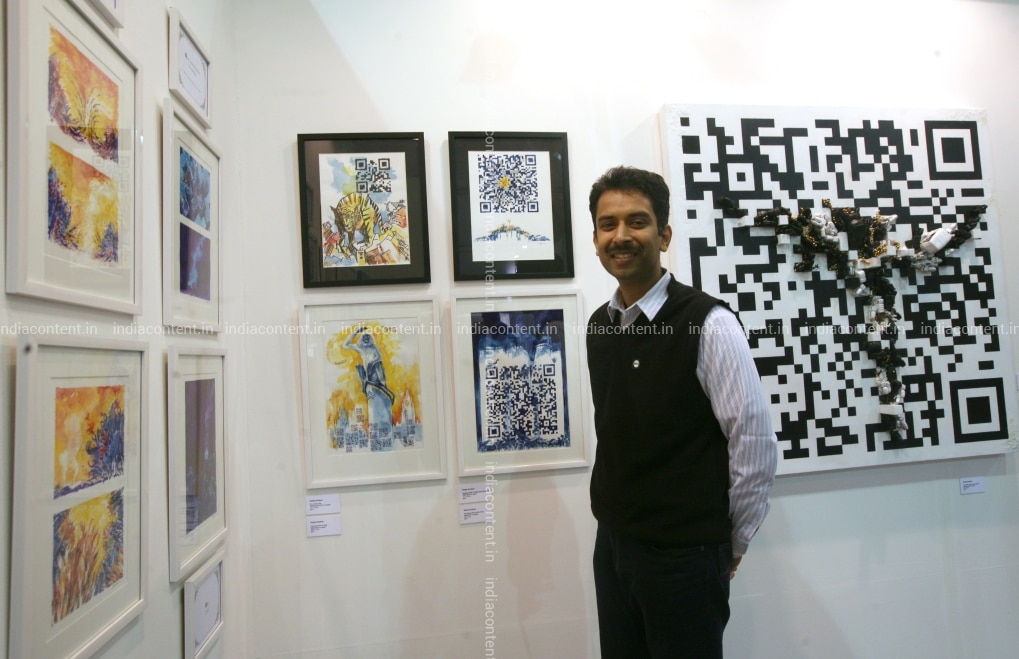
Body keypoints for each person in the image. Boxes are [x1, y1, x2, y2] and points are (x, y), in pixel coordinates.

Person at [586, 166, 778, 658]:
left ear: (664, 235)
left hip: (684, 557)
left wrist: (733, 540)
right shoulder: (599, 326)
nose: (621, 236)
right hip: (614, 546)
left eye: (637, 222)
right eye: (608, 224)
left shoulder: (708, 323)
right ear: (595, 239)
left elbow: (753, 441)